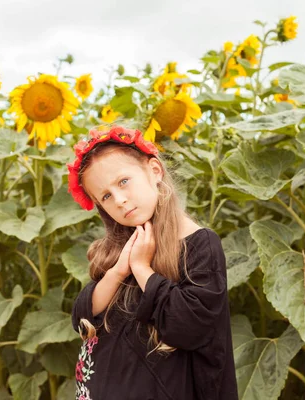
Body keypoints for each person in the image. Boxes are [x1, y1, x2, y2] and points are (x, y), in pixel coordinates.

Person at [66, 125, 238, 400]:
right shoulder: (121, 247)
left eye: (123, 181)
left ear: (155, 171)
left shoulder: (199, 244)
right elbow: (83, 319)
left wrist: (143, 270)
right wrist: (120, 269)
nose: (120, 200)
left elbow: (189, 329)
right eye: (106, 196)